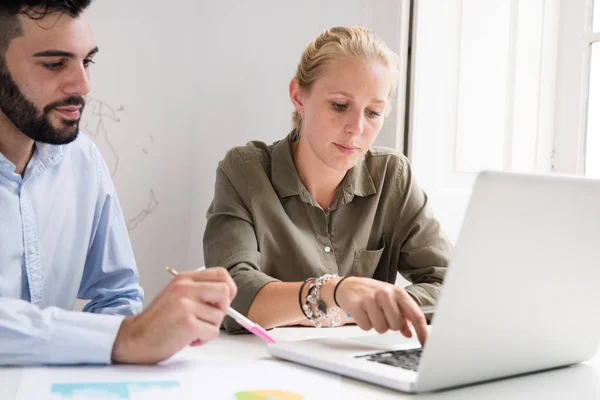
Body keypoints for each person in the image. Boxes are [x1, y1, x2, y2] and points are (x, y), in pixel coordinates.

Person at [0, 0, 236, 366]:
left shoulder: (81, 159)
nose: (83, 84)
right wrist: (126, 338)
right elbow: (123, 332)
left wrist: (139, 335)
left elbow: (117, 297)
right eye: (54, 64)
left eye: (87, 61)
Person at [204, 26, 451, 346]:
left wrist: (370, 307)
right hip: (266, 368)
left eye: (373, 112)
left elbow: (450, 283)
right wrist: (334, 292)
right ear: (298, 96)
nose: (356, 128)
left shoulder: (393, 176)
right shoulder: (245, 171)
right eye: (339, 105)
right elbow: (232, 295)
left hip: (359, 362)